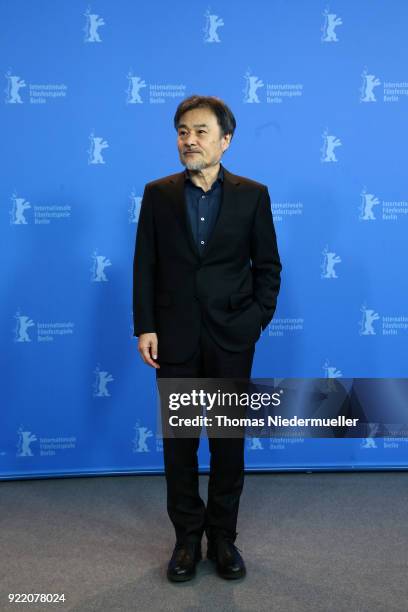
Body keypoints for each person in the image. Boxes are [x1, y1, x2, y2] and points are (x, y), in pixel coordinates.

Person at [133, 95, 282, 582]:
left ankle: (222, 538)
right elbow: (145, 266)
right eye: (181, 131)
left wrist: (255, 321)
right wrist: (146, 326)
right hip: (174, 339)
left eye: (199, 131)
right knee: (179, 446)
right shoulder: (158, 194)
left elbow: (268, 268)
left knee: (226, 443)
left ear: (225, 139)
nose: (188, 140)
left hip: (230, 339)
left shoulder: (252, 194)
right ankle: (185, 540)